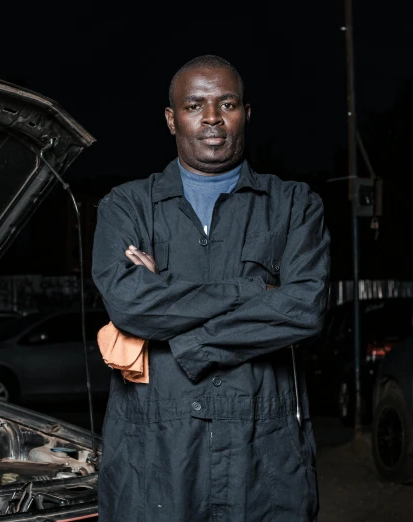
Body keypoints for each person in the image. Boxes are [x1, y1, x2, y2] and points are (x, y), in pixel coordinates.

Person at [92, 55, 330, 522]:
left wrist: (191, 337)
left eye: (227, 103)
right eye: (194, 105)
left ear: (246, 113)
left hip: (264, 450)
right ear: (171, 118)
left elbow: (305, 307)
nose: (212, 118)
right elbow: (130, 305)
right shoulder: (126, 206)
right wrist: (252, 291)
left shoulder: (294, 205)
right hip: (156, 454)